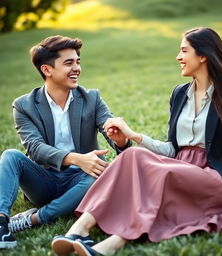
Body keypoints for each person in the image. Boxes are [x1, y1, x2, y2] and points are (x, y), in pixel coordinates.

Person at [51, 27, 222, 256]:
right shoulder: (179, 94)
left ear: (203, 55)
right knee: (131, 154)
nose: (179, 57)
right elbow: (172, 148)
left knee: (160, 178)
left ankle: (110, 246)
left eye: (183, 51)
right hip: (181, 164)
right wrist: (133, 136)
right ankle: (79, 230)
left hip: (211, 176)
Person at [0, 35, 130, 249]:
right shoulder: (24, 105)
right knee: (10, 156)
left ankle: (33, 219)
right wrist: (77, 159)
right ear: (46, 70)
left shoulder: (92, 98)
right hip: (43, 181)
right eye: (69, 63)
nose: (77, 68)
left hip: (82, 181)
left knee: (102, 175)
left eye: (78, 61)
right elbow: (35, 148)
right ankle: (2, 222)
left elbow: (116, 139)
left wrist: (121, 141)